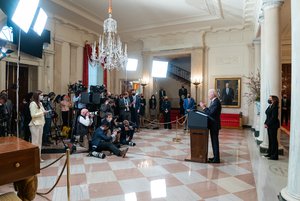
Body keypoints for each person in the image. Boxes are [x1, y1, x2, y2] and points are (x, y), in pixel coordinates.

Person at [199, 89, 222, 163]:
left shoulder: (216, 102)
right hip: (213, 125)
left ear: (213, 94)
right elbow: (211, 112)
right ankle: (215, 157)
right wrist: (206, 107)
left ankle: (216, 159)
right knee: (213, 142)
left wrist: (203, 107)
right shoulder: (213, 102)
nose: (208, 95)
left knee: (215, 142)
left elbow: (210, 114)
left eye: (209, 94)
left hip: (214, 125)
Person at [29, 91, 51, 162]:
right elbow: (33, 115)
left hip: (41, 123)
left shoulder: (40, 103)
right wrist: (42, 112)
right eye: (41, 95)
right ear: (37, 96)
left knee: (39, 142)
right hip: (35, 124)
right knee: (35, 142)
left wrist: (46, 112)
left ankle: (38, 157)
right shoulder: (33, 104)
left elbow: (43, 111)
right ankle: (34, 158)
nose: (42, 96)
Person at [263, 95, 280, 160]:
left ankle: (274, 156)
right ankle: (270, 153)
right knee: (270, 140)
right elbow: (268, 115)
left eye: (270, 98)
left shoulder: (275, 107)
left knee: (274, 140)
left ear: (274, 100)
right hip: (269, 125)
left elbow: (274, 118)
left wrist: (267, 124)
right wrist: (265, 123)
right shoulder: (270, 106)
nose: (269, 99)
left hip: (273, 125)